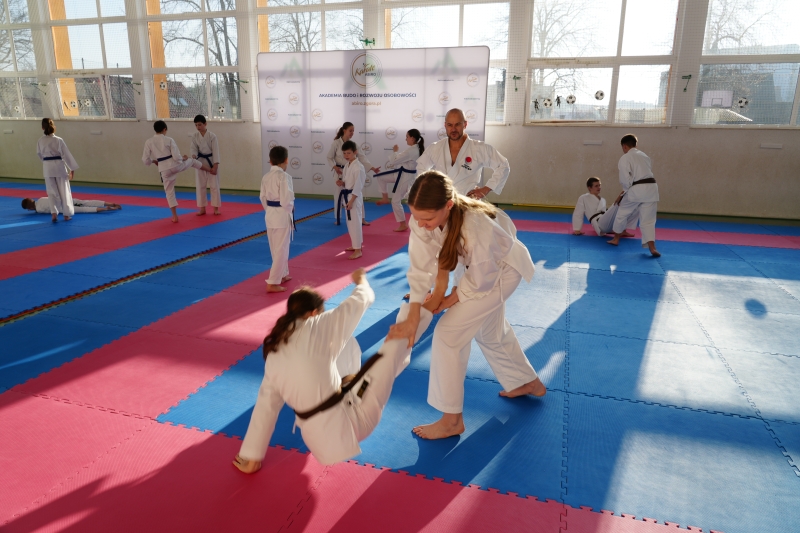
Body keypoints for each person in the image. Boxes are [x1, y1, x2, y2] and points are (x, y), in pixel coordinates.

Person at [387, 171, 546, 440]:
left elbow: (482, 280)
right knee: (488, 331)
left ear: (448, 205)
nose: (421, 224)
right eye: (416, 216)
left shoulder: (476, 227)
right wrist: (417, 311)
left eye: (428, 218)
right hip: (474, 268)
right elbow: (424, 267)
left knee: (448, 335)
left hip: (500, 272)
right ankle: (527, 382)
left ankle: (451, 421)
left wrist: (448, 300)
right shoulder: (424, 220)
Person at [232, 268, 434, 472]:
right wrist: (361, 280)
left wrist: (251, 455)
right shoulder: (318, 323)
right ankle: (427, 308)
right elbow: (364, 297)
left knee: (346, 346)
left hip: (319, 442)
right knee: (389, 351)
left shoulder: (274, 353)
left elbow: (265, 408)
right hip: (355, 422)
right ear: (314, 313)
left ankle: (352, 383)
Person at [414, 109, 509, 199]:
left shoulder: (480, 148)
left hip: (468, 201)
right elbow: (421, 166)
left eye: (457, 124)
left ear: (465, 124)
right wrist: (429, 187)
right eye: (450, 125)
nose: (453, 129)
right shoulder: (435, 148)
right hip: (442, 202)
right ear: (445, 125)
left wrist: (486, 188)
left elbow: (503, 165)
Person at [142, 120, 212, 223]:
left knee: (169, 192)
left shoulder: (149, 142)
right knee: (192, 161)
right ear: (165, 129)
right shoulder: (169, 140)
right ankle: (210, 170)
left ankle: (175, 216)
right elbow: (176, 157)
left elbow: (145, 160)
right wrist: (183, 158)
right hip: (175, 165)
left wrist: (153, 161)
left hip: (164, 169)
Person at [607, 134, 660, 257]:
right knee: (649, 220)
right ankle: (652, 248)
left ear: (624, 146)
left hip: (637, 189)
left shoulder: (625, 157)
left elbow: (625, 178)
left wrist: (624, 192)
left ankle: (616, 239)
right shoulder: (645, 156)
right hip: (652, 189)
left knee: (622, 213)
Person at [326, 122, 380, 226]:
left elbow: (362, 157)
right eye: (350, 130)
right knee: (338, 195)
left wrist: (372, 168)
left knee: (357, 193)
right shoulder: (336, 143)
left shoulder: (353, 144)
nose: (352, 133)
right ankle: (338, 218)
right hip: (339, 172)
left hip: (351, 170)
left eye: (353, 131)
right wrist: (334, 167)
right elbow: (329, 157)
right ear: (344, 130)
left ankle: (362, 218)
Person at [374, 129, 425, 232]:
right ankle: (385, 198)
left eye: (407, 137)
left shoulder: (411, 151)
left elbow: (394, 161)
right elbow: (400, 159)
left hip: (406, 178)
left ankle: (403, 224)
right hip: (402, 174)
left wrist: (395, 151)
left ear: (412, 138)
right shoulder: (414, 149)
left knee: (396, 201)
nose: (406, 139)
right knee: (381, 176)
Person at [260, 145, 295, 293]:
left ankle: (283, 274)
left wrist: (269, 210)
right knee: (282, 249)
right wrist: (290, 208)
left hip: (270, 215)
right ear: (286, 160)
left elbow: (262, 197)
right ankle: (273, 282)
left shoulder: (266, 176)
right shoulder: (284, 176)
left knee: (275, 247)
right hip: (281, 215)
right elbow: (286, 200)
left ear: (270, 161)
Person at [36, 118, 78, 222]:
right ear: (53, 127)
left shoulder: (40, 141)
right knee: (64, 191)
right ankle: (66, 215)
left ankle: (54, 213)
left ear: (42, 128)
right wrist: (72, 169)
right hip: (59, 167)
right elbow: (66, 154)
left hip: (47, 167)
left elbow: (39, 154)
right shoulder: (58, 140)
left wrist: (47, 162)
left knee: (51, 192)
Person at [572, 177, 636, 237]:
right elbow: (578, 213)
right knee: (617, 205)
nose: (599, 187)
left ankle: (622, 230)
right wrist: (577, 229)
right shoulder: (584, 198)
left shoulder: (602, 200)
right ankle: (624, 192)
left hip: (607, 224)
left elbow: (607, 215)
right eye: (596, 186)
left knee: (631, 208)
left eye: (599, 185)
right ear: (589, 188)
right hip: (599, 223)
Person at [190, 114, 221, 216]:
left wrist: (215, 165)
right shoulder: (195, 136)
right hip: (200, 162)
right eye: (196, 125)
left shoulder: (212, 136)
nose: (198, 127)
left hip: (211, 161)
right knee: (200, 186)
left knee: (214, 186)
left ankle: (215, 208)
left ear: (205, 124)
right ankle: (202, 208)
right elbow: (193, 149)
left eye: (199, 125)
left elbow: (216, 151)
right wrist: (193, 156)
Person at [340, 141, 365, 260]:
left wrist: (351, 201)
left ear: (355, 152)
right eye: (344, 153)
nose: (346, 155)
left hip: (354, 197)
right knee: (350, 223)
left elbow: (358, 186)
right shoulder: (348, 165)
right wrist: (342, 183)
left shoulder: (358, 167)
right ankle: (355, 245)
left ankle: (358, 250)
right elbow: (347, 182)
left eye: (349, 153)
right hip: (348, 196)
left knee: (355, 223)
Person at [22, 197, 121, 214]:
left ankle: (106, 209)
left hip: (64, 208)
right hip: (65, 200)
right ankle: (110, 204)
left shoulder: (39, 209)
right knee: (85, 202)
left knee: (84, 209)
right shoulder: (41, 199)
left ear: (30, 208)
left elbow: (51, 211)